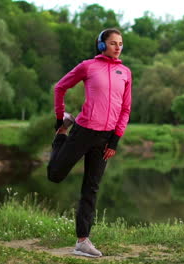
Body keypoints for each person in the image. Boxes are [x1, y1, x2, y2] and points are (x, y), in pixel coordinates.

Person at [46, 28, 132, 258]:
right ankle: (61, 136)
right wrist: (59, 117)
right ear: (101, 45)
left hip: (106, 137)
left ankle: (82, 241)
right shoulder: (88, 66)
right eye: (113, 43)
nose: (118, 47)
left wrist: (115, 139)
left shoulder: (125, 72)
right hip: (83, 131)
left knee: (91, 188)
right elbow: (60, 87)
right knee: (55, 175)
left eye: (120, 43)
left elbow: (125, 108)